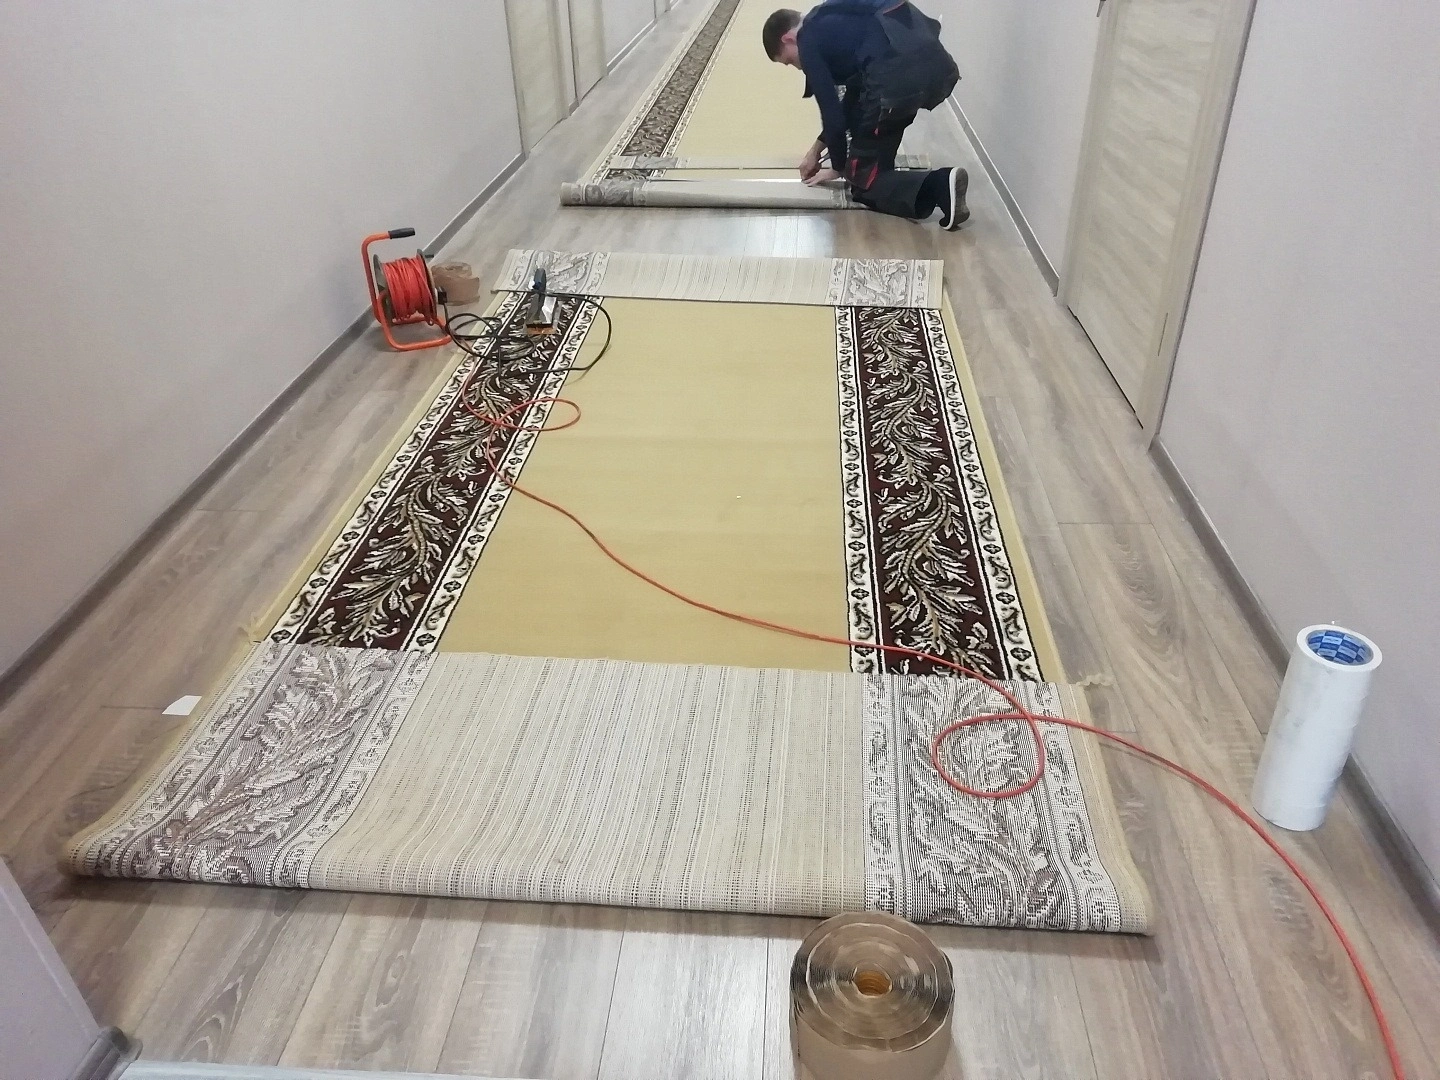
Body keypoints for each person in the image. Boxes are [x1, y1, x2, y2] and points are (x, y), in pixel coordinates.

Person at [763, 2, 968, 229]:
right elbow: (854, 95)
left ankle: (940, 184)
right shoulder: (835, 21)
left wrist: (838, 167)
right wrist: (817, 149)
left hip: (892, 87)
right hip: (935, 73)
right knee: (876, 166)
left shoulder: (807, 40)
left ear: (788, 39)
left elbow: (832, 115)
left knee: (862, 184)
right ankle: (927, 188)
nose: (798, 67)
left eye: (789, 61)